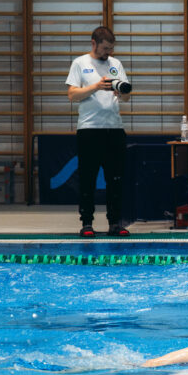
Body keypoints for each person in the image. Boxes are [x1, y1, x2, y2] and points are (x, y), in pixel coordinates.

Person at [65, 25, 132, 238]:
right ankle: (87, 223)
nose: (108, 53)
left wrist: (121, 92)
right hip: (89, 129)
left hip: (114, 129)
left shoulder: (116, 64)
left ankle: (115, 222)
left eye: (111, 49)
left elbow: (126, 96)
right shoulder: (80, 63)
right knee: (88, 178)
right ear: (93, 43)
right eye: (105, 49)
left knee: (116, 179)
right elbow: (72, 95)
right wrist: (96, 86)